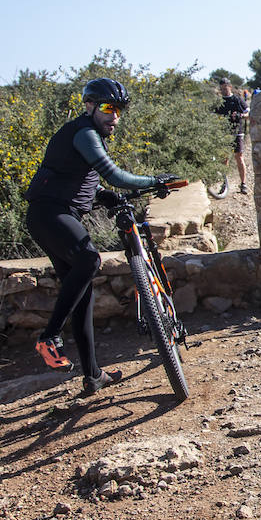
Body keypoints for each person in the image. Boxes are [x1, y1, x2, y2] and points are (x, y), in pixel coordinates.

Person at [25, 78, 177, 394]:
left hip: (51, 214)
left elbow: (83, 179)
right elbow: (114, 174)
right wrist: (153, 180)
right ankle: (49, 337)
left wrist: (103, 195)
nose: (114, 117)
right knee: (89, 260)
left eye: (119, 110)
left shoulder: (88, 134)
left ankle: (93, 376)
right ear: (90, 106)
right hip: (51, 213)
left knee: (83, 295)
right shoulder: (84, 133)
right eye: (108, 108)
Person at [214, 79, 250, 194]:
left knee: (239, 157)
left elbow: (248, 113)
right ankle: (225, 184)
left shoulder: (237, 99)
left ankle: (243, 183)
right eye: (222, 88)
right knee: (224, 159)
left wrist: (240, 115)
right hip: (223, 134)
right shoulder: (219, 101)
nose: (224, 90)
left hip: (237, 132)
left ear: (230, 86)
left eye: (225, 87)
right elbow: (212, 115)